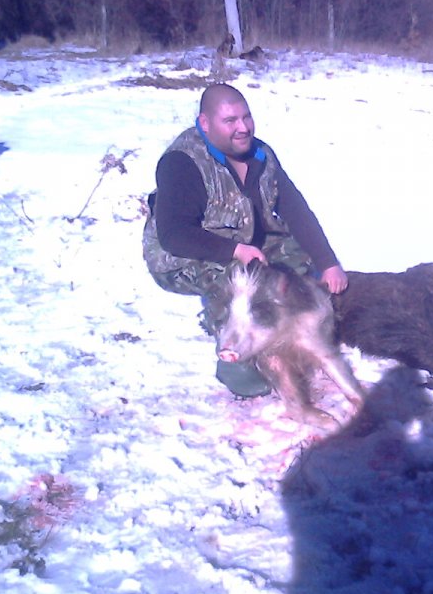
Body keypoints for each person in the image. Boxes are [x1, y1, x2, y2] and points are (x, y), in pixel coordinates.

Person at [142, 83, 348, 397]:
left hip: (245, 239)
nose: (243, 128)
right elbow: (173, 235)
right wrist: (235, 250)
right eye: (230, 121)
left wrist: (328, 262)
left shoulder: (261, 154)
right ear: (205, 123)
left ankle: (295, 326)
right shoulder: (181, 162)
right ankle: (231, 344)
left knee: (301, 261)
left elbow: (294, 208)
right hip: (185, 255)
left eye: (246, 117)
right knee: (241, 284)